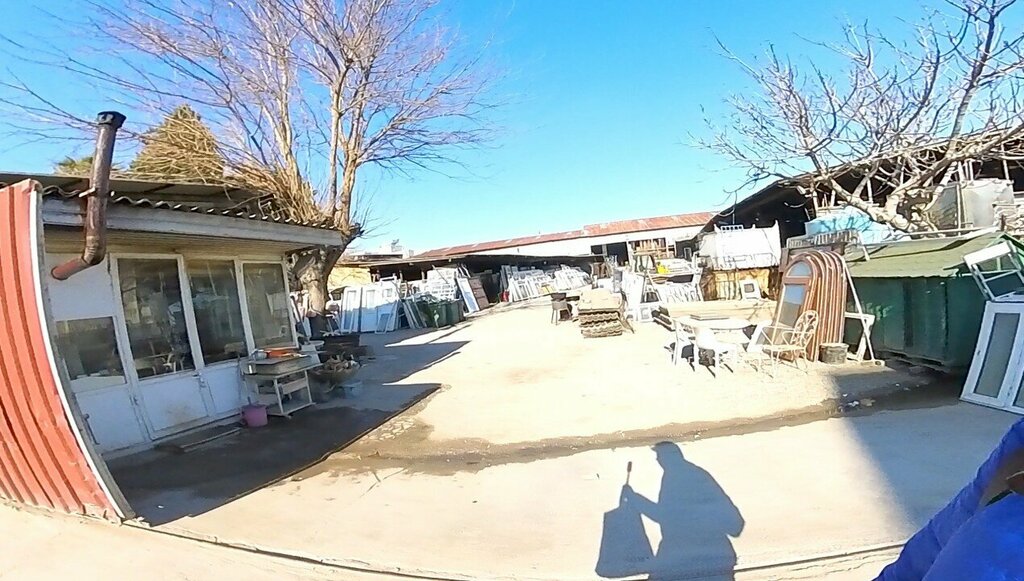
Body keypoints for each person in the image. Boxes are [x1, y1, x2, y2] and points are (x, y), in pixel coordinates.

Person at [598, 442, 744, 580]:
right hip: (712, 555)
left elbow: (669, 517)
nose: (658, 461)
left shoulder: (679, 477)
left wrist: (635, 500)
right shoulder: (691, 473)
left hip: (693, 557)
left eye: (659, 457)